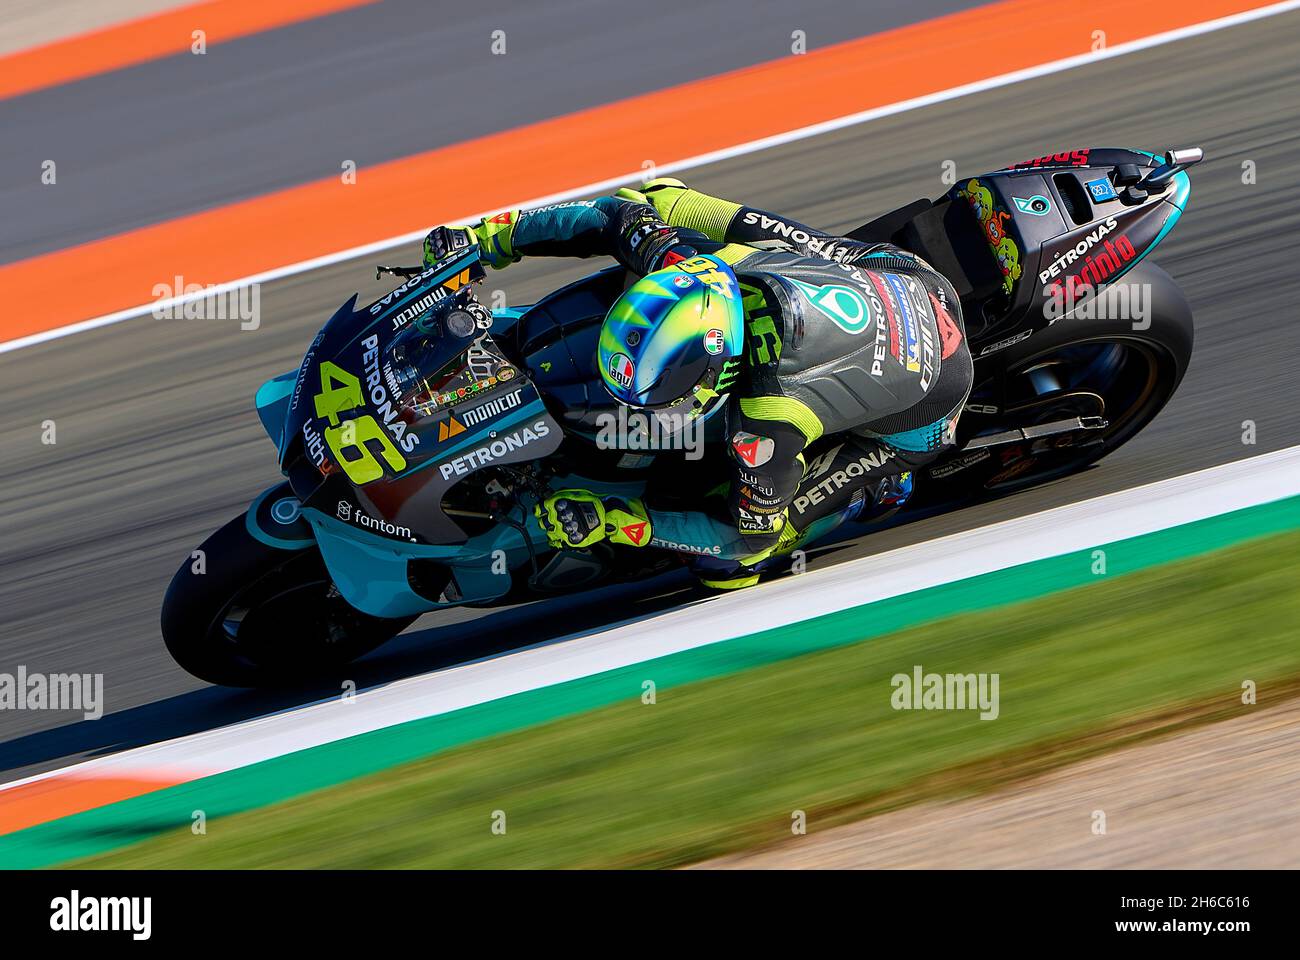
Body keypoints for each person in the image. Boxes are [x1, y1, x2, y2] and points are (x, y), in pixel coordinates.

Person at [422, 179, 973, 589]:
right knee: (661, 200)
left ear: (716, 376)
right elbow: (614, 216)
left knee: (731, 564)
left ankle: (876, 490)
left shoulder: (769, 421)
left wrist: (618, 521)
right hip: (899, 272)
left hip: (931, 397)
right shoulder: (689, 264)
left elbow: (743, 535)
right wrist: (486, 238)